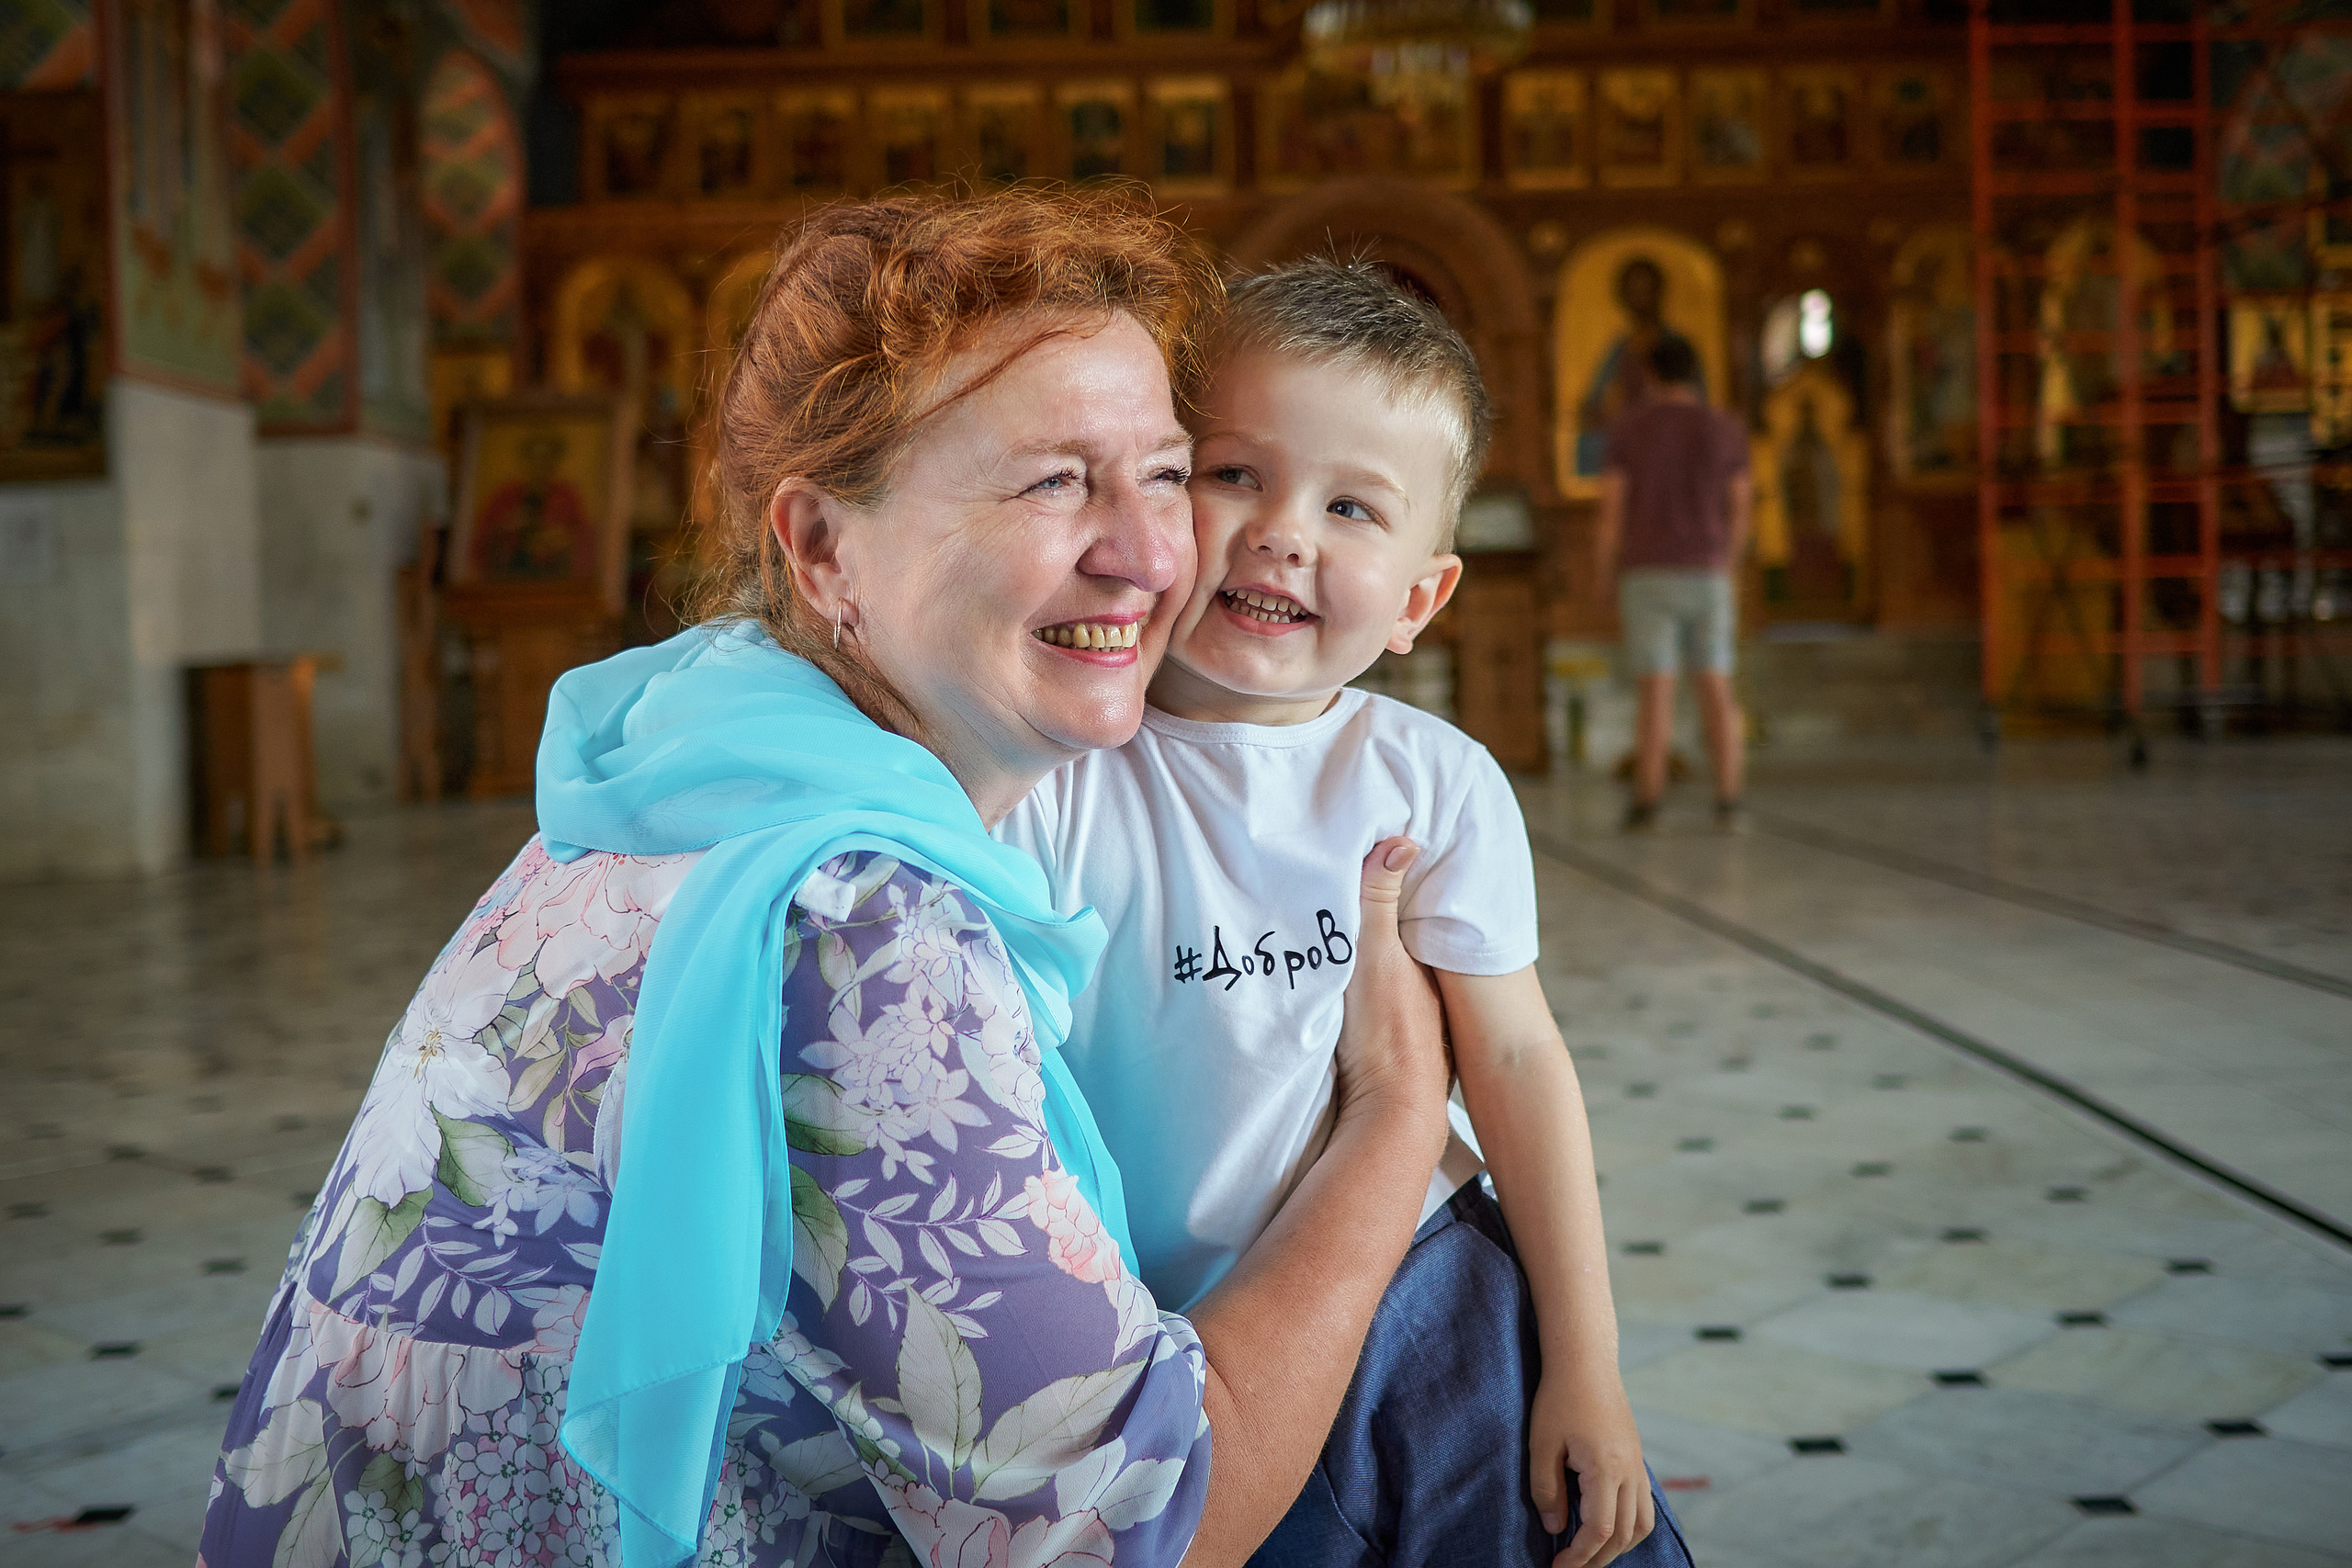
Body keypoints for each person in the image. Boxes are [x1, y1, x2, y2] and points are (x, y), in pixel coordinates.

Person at [196, 189, 1455, 1568]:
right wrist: (1397, 1109)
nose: (1151, 553)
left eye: (1162, 471)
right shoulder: (853, 929)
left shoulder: (699, 749)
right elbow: (1142, 1526)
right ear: (820, 546)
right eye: (1050, 480)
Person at [1001, 258, 1693, 1568]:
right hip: (1174, 1332)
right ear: (1154, 491)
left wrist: (1586, 1363)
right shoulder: (1064, 768)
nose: (1283, 532)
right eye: (1233, 473)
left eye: (1352, 505)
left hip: (1430, 1292)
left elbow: (1521, 1059)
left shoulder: (1429, 783)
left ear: (1422, 598)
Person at [1595, 334, 1753, 831]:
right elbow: (1743, 505)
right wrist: (1728, 562)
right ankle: (1730, 802)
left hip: (1646, 575)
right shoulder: (1723, 427)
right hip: (1708, 572)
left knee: (1655, 691)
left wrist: (1603, 570)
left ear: (1654, 374)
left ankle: (1648, 802)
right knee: (1717, 687)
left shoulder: (1631, 429)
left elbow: (1612, 510)